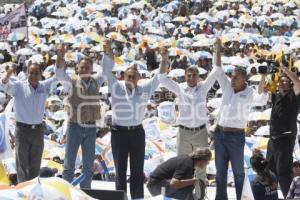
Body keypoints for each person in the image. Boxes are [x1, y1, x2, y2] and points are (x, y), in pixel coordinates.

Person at [158, 42, 220, 198]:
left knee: (200, 170)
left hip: (199, 133)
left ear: (198, 77)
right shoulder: (179, 88)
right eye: (188, 75)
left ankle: (199, 197)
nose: (191, 78)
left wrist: (217, 50)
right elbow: (162, 78)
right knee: (182, 169)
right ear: (185, 77)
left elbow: (216, 70)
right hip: (184, 133)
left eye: (194, 75)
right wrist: (164, 58)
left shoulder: (204, 87)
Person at [102, 40, 161, 199]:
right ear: (123, 76)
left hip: (136, 133)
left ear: (138, 78)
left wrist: (165, 56)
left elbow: (159, 76)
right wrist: (108, 51)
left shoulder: (144, 89)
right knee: (120, 170)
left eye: (134, 77)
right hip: (119, 133)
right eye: (128, 76)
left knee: (137, 170)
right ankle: (120, 197)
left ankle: (137, 198)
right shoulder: (116, 87)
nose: (131, 79)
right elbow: (107, 71)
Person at [0, 46, 68, 183]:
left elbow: (59, 75)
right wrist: (8, 74)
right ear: (27, 73)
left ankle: (32, 192)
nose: (34, 75)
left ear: (41, 74)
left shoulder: (44, 86)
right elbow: (3, 85)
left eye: (36, 73)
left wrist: (60, 56)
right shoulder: (19, 87)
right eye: (31, 73)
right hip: (22, 130)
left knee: (35, 165)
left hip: (37, 130)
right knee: (22, 165)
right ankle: (23, 193)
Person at [213, 38, 268, 200]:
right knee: (220, 172)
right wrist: (217, 50)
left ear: (244, 79)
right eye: (232, 76)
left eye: (235, 77)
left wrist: (263, 77)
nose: (232, 79)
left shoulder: (250, 93)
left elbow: (262, 98)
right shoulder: (227, 87)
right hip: (220, 134)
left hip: (236, 137)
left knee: (238, 172)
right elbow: (218, 69)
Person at [61, 48, 104, 188]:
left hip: (91, 127)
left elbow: (106, 69)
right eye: (82, 67)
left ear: (92, 70)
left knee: (88, 165)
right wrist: (60, 56)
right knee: (69, 164)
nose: (84, 69)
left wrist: (108, 51)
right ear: (77, 69)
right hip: (75, 126)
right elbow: (59, 73)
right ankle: (67, 193)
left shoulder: (96, 81)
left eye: (87, 67)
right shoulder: (70, 83)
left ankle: (86, 191)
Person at [264, 67, 300, 198]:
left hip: (285, 139)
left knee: (283, 173)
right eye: (281, 81)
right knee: (269, 172)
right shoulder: (277, 96)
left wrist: (284, 70)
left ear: (290, 84)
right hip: (272, 140)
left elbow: (298, 83)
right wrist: (264, 76)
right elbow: (262, 89)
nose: (283, 82)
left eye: (286, 81)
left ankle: (290, 197)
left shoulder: (294, 97)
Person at [147, 148, 212, 200]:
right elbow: (174, 183)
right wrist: (196, 180)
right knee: (188, 185)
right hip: (155, 185)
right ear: (202, 160)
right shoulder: (187, 164)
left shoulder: (188, 160)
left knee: (189, 184)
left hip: (157, 183)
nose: (208, 164)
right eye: (208, 161)